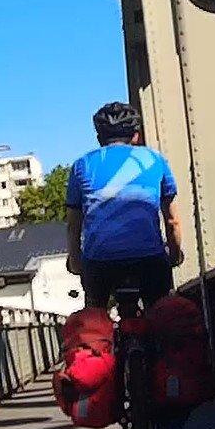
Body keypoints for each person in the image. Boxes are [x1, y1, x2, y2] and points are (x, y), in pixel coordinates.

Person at [65, 101, 185, 310]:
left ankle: (98, 320)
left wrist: (76, 264)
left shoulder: (82, 165)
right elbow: (172, 220)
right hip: (149, 258)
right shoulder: (155, 160)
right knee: (160, 312)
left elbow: (73, 226)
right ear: (136, 136)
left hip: (99, 261)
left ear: (99, 138)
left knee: (96, 314)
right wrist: (174, 255)